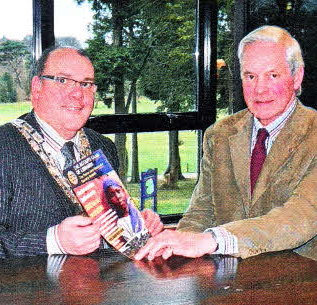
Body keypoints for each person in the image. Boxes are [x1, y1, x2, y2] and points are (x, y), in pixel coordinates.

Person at [0, 46, 163, 261]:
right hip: (32, 291)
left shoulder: (103, 147)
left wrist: (137, 224)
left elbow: (110, 226)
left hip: (102, 287)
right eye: (63, 80)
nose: (77, 93)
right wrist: (53, 241)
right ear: (37, 87)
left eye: (86, 83)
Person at [135, 25, 316, 261]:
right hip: (228, 286)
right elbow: (201, 212)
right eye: (250, 76)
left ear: (296, 77)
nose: (259, 89)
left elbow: (300, 216)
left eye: (273, 75)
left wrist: (212, 240)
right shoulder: (219, 134)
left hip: (300, 284)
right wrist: (174, 246)